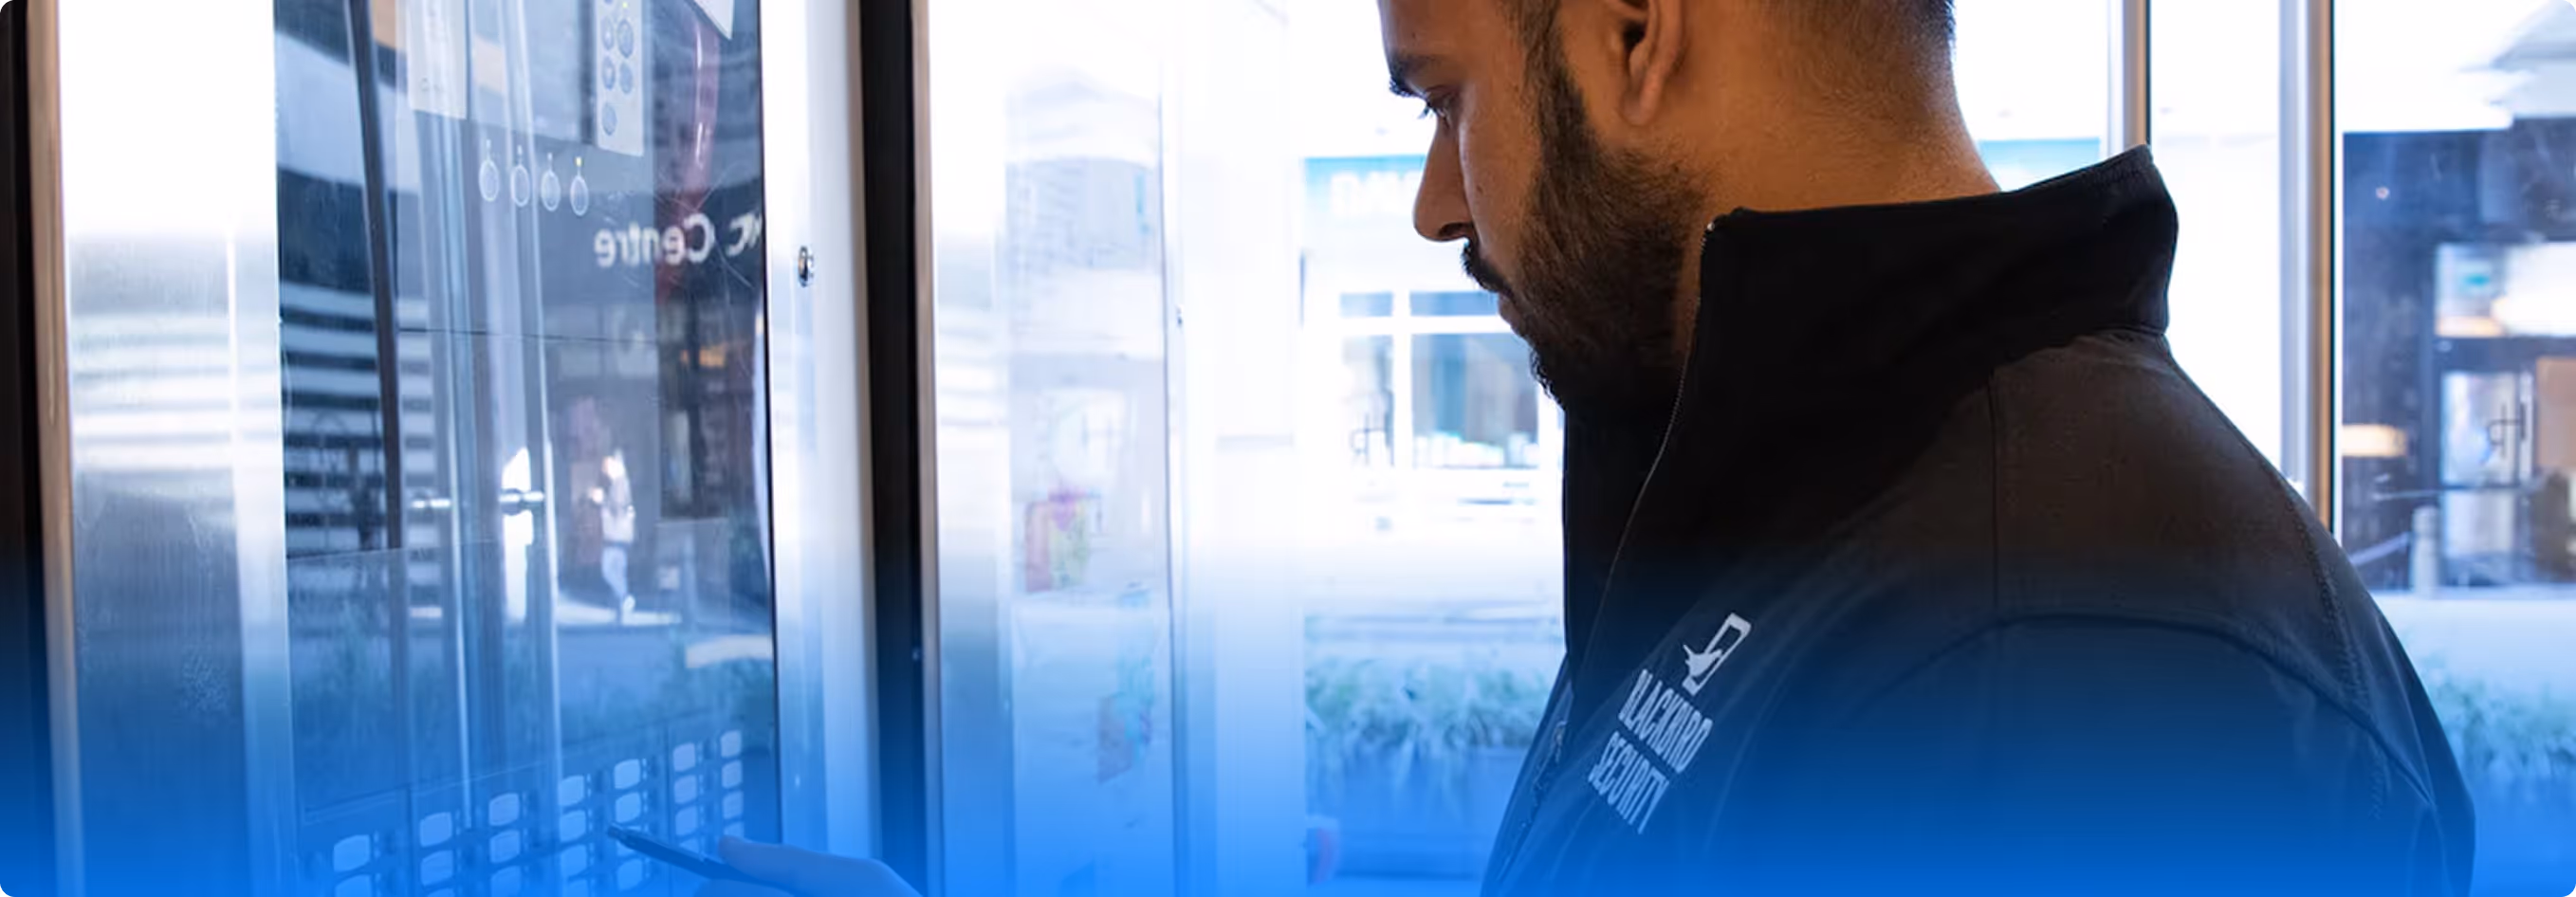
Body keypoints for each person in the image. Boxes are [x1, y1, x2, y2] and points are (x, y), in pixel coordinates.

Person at [710, 0, 2477, 893]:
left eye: (1444, 97)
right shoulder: (1796, 478)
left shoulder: (2070, 658)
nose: (1426, 202)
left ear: (1638, 32)